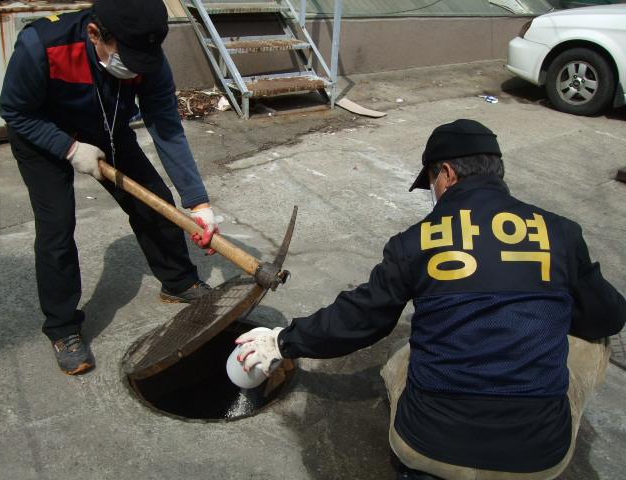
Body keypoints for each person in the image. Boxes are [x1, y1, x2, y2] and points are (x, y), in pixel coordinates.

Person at [235, 119, 626, 479]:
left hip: (427, 445)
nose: (433, 193)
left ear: (448, 174)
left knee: (404, 355)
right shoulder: (560, 231)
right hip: (539, 456)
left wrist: (283, 341)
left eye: (431, 182)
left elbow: (362, 317)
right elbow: (608, 317)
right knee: (592, 336)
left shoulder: (415, 241)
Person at [0, 0, 219, 375]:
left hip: (106, 128)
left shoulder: (145, 55)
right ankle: (63, 327)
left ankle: (178, 281)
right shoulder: (42, 45)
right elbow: (16, 111)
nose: (134, 68)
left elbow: (165, 123)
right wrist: (68, 148)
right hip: (41, 136)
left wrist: (198, 202)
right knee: (57, 229)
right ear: (95, 34)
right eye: (128, 59)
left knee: (155, 202)